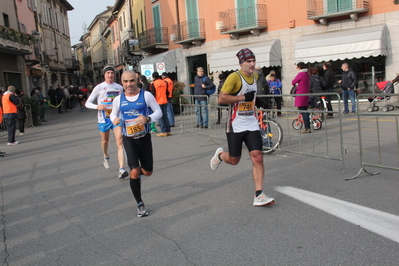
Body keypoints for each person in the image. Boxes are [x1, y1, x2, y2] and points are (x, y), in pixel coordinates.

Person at [210, 48, 275, 207]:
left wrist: (258, 102)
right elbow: (221, 98)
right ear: (241, 63)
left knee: (257, 156)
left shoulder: (254, 76)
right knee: (234, 160)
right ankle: (220, 156)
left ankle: (259, 194)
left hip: (251, 123)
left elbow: (251, 96)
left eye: (254, 61)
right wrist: (241, 98)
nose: (252, 64)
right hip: (235, 124)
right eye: (249, 62)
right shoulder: (234, 77)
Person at [110, 70, 162, 217]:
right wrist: (114, 120)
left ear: (137, 80)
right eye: (125, 81)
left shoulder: (146, 95)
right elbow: (113, 114)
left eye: (131, 81)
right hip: (129, 138)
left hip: (144, 138)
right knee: (134, 170)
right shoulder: (118, 100)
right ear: (122, 83)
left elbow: (158, 112)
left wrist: (148, 119)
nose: (129, 84)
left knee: (147, 172)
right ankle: (139, 203)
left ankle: (138, 174)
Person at [85, 65, 129, 179]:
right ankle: (105, 155)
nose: (110, 75)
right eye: (108, 73)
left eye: (112, 73)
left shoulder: (119, 87)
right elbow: (87, 103)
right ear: (104, 75)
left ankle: (121, 169)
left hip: (116, 118)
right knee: (105, 140)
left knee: (120, 141)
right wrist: (97, 106)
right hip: (103, 119)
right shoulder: (99, 87)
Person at [292, 62, 311, 134]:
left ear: (299, 67)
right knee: (305, 110)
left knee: (303, 111)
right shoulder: (307, 73)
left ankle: (307, 127)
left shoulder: (301, 74)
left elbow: (293, 82)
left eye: (297, 67)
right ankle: (308, 126)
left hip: (301, 94)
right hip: (305, 93)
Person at [150, 72, 170, 137]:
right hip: (165, 100)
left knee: (160, 117)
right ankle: (168, 131)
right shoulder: (164, 82)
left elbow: (153, 94)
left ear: (153, 77)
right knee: (165, 116)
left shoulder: (154, 83)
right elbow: (167, 92)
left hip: (158, 101)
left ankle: (163, 131)